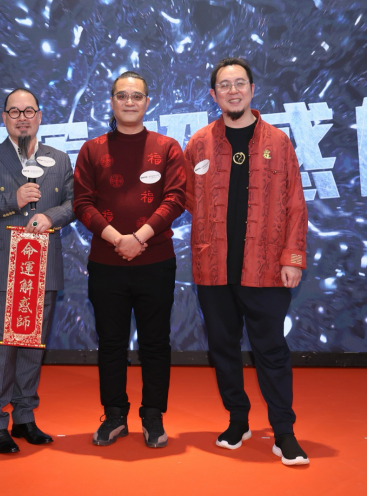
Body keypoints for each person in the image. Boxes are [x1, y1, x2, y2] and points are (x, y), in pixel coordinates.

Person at [184, 57, 309, 465]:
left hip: (266, 267)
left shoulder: (278, 141)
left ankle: (284, 431)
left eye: (240, 83)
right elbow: (186, 198)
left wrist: (293, 257)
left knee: (271, 349)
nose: (233, 91)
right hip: (214, 268)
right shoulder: (199, 143)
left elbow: (295, 205)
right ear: (213, 94)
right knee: (222, 348)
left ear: (253, 90)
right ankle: (238, 419)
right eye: (224, 85)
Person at [73, 71, 186, 448]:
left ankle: (153, 415)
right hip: (106, 263)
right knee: (111, 343)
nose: (129, 102)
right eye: (122, 95)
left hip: (156, 261)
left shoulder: (167, 147)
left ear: (147, 102)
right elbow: (82, 203)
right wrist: (117, 238)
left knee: (156, 342)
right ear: (112, 102)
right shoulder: (92, 149)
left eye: (137, 96)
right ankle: (115, 415)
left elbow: (176, 199)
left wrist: (139, 237)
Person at [0, 88, 75, 454]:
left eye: (29, 111)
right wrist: (12, 201)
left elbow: (75, 203)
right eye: (14, 112)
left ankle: (25, 416)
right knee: (3, 346)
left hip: (43, 264)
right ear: (4, 118)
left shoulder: (59, 159)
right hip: (3, 265)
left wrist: (51, 216)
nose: (22, 118)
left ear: (39, 116)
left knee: (32, 345)